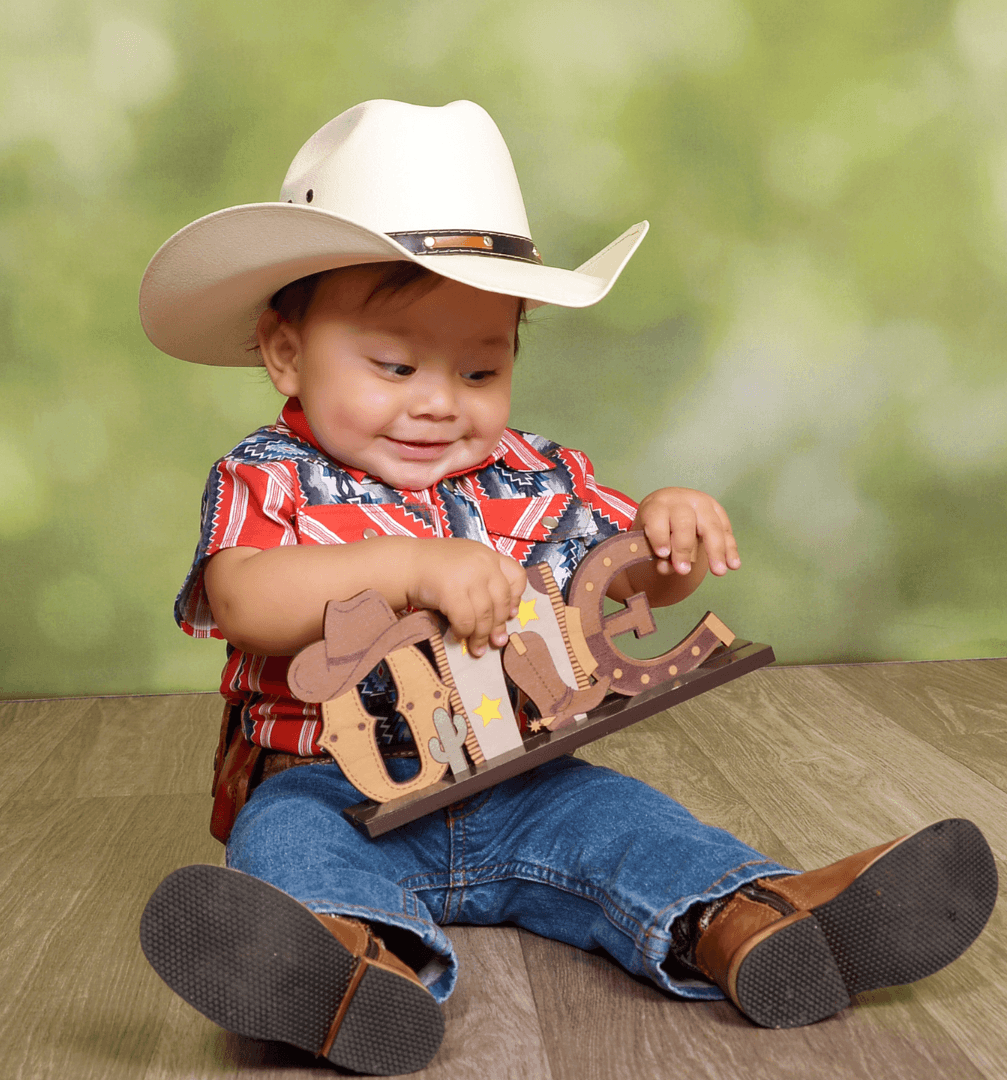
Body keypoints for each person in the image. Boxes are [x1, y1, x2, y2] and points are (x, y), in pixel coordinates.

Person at [137, 100, 997, 1076]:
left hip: (520, 781)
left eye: (480, 366)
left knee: (626, 823)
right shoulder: (269, 477)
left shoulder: (538, 472)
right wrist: (412, 566)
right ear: (287, 352)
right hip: (332, 791)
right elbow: (246, 597)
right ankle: (347, 967)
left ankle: (753, 919)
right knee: (284, 846)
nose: (438, 400)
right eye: (394, 363)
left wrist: (667, 543)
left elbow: (620, 579)